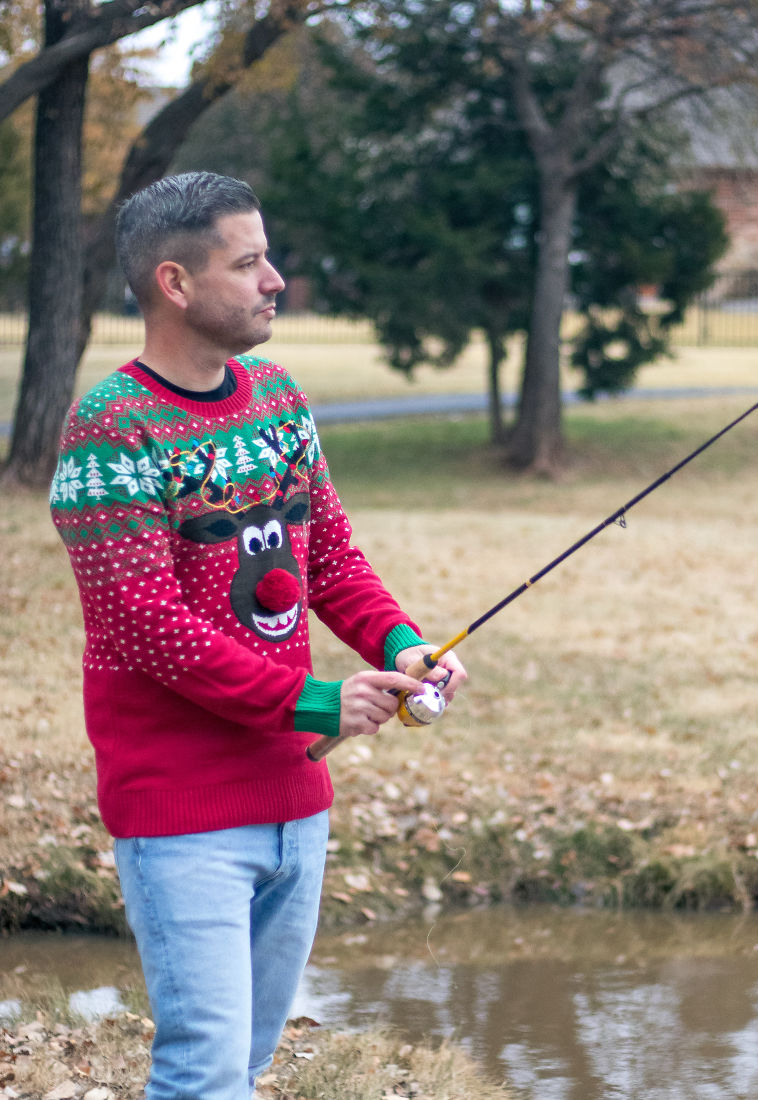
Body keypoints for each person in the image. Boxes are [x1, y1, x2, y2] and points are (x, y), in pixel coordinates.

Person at [49, 170, 466, 1099]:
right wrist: (316, 699)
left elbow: (334, 565)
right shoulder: (110, 430)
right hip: (182, 816)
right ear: (176, 283)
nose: (275, 278)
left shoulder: (276, 396)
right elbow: (146, 628)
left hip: (296, 804)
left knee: (244, 1064)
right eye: (248, 263)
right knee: (203, 1075)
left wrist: (402, 648)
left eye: (268, 256)